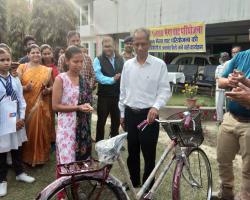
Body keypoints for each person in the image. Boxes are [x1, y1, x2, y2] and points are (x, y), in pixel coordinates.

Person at [119, 28, 171, 188]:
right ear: (132, 44)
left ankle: (148, 185)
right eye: (137, 44)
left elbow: (164, 90)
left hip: (149, 115)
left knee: (149, 153)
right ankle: (133, 181)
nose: (140, 47)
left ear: (149, 44)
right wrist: (122, 113)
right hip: (130, 114)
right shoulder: (127, 65)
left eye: (143, 44)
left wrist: (156, 107)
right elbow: (123, 90)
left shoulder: (159, 65)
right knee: (132, 151)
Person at [52, 46, 93, 200]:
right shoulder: (60, 79)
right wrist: (78, 107)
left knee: (79, 161)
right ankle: (62, 192)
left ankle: (76, 187)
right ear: (67, 61)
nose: (79, 65)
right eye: (75, 61)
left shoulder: (83, 80)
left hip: (82, 127)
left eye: (81, 62)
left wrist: (87, 106)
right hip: (67, 128)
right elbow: (55, 106)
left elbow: (86, 99)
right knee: (66, 162)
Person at [213, 33, 250, 200]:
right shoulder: (241, 56)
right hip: (231, 117)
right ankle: (226, 192)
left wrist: (244, 83)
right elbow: (220, 81)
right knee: (222, 159)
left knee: (248, 168)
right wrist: (231, 82)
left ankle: (245, 194)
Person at [0, 48, 35, 197]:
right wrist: (7, 122)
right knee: (1, 151)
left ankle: (19, 172)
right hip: (2, 123)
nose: (6, 62)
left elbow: (21, 100)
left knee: (17, 148)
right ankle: (1, 181)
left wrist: (20, 118)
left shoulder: (14, 80)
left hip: (17, 121)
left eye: (8, 59)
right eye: (2, 60)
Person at [17, 44, 54, 166]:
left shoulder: (47, 70)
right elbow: (15, 87)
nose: (36, 54)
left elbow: (52, 86)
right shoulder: (22, 67)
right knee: (26, 132)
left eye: (38, 52)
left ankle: (40, 157)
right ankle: (26, 157)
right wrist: (25, 88)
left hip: (41, 106)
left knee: (40, 130)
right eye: (32, 52)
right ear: (28, 55)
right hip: (25, 106)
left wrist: (47, 91)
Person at [93, 36, 124, 142]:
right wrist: (112, 79)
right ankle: (99, 143)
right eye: (105, 47)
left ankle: (114, 143)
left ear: (114, 46)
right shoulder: (97, 59)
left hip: (117, 96)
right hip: (104, 97)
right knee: (101, 121)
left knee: (116, 122)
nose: (108, 49)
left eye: (109, 46)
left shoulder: (120, 59)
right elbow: (98, 77)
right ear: (102, 47)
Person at [215, 52, 230, 124]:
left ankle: (228, 120)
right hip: (219, 88)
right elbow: (216, 77)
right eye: (222, 56)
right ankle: (219, 120)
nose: (223, 58)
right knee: (218, 104)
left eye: (225, 56)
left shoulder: (230, 65)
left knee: (228, 105)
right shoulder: (218, 67)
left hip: (228, 88)